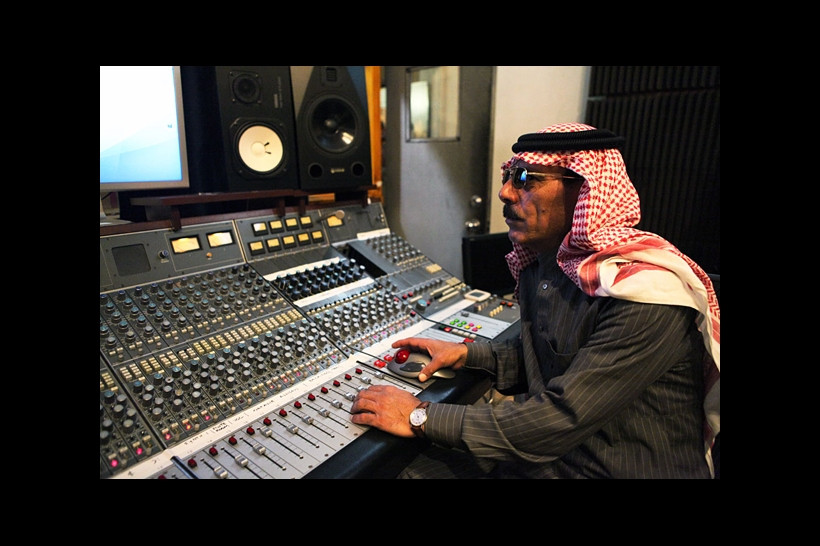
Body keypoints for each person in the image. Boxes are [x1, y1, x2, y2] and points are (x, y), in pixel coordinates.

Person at [350, 122, 720, 479]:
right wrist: (466, 355)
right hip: (552, 461)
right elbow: (549, 359)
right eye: (509, 175)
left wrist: (419, 416)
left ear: (585, 189)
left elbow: (558, 419)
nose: (505, 192)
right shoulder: (544, 265)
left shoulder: (647, 293)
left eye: (526, 178)